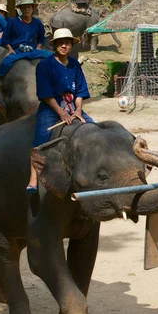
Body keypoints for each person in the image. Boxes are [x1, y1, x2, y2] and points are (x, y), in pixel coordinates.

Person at [26, 28, 93, 193]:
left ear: (71, 45)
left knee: (94, 129)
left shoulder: (75, 65)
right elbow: (46, 94)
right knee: (40, 141)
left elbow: (80, 92)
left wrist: (78, 110)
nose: (64, 45)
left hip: (72, 106)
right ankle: (33, 179)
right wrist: (61, 113)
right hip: (51, 107)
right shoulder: (44, 65)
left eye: (68, 43)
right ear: (55, 45)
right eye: (61, 43)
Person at [0, 0, 51, 77]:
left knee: (52, 57)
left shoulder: (37, 23)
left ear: (33, 8)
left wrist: (39, 47)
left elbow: (41, 37)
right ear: (21, 9)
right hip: (17, 51)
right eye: (24, 7)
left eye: (29, 7)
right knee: (5, 64)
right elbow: (5, 38)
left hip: (32, 51)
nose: (27, 9)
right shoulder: (13, 22)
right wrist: (10, 49)